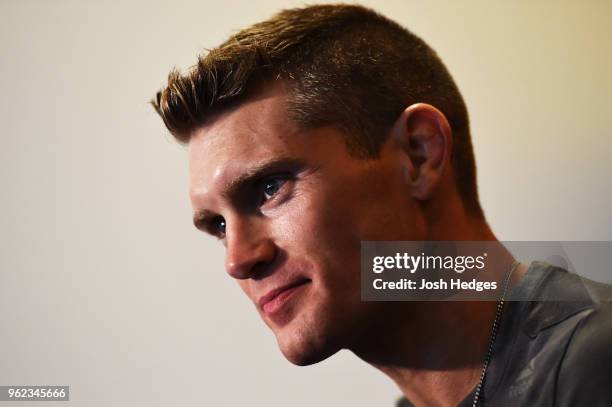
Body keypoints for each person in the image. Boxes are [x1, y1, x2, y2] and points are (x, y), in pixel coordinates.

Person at [151, 4, 612, 406]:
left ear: (418, 154)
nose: (238, 259)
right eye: (217, 226)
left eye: (270, 188)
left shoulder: (595, 364)